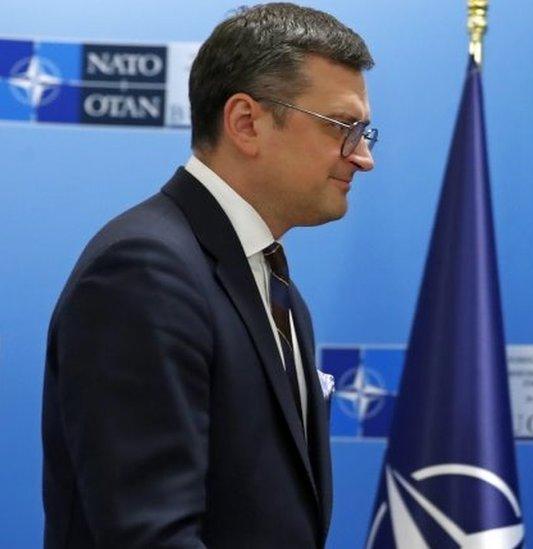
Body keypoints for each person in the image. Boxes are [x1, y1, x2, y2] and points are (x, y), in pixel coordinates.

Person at [42, 3, 375, 547]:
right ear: (246, 122)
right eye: (343, 127)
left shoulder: (269, 279)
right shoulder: (145, 272)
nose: (362, 157)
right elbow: (149, 535)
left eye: (365, 132)